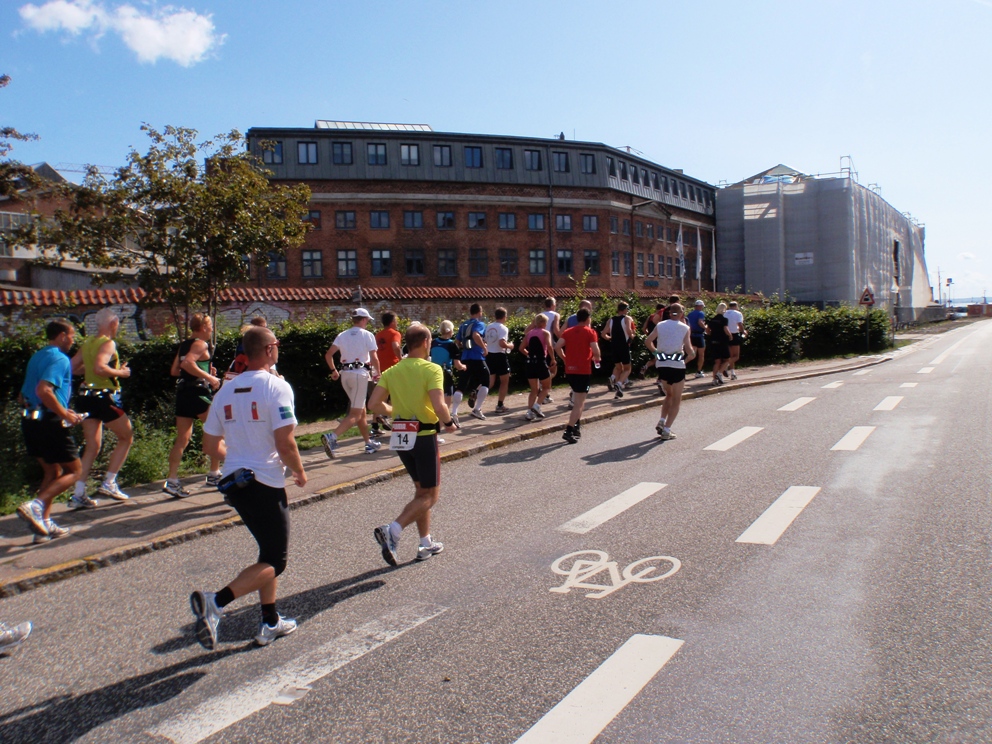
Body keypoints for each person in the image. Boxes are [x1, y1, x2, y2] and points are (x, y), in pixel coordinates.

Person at [191, 325, 306, 649]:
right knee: (277, 561)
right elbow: (285, 442)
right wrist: (299, 471)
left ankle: (270, 621)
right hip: (265, 482)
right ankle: (216, 602)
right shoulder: (277, 387)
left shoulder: (225, 390)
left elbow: (209, 445)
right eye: (277, 344)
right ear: (269, 350)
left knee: (266, 554)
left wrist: (238, 458)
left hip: (234, 483)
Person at [369, 323, 456, 565]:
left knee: (421, 491)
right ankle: (393, 530)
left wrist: (394, 409)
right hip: (424, 434)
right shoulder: (432, 369)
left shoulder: (393, 371)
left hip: (401, 435)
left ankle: (425, 543)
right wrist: (449, 423)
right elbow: (439, 405)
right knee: (431, 495)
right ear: (427, 342)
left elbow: (374, 404)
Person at [16, 320, 83, 541]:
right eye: (72, 335)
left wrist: (62, 408)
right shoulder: (59, 358)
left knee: (52, 472)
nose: (73, 340)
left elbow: (22, 395)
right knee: (75, 471)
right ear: (63, 335)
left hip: (31, 421)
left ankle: (43, 526)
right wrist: (64, 415)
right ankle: (35, 506)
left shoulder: (38, 356)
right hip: (50, 423)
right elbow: (44, 390)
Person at [71, 307, 133, 504]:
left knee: (93, 446)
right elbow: (100, 367)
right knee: (126, 437)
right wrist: (122, 373)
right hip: (104, 397)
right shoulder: (108, 343)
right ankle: (109, 482)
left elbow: (73, 368)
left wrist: (91, 370)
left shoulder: (88, 342)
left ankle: (79, 492)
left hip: (85, 397)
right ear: (113, 324)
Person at [164, 313, 224, 498]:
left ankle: (172, 480)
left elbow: (176, 370)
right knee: (218, 431)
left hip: (183, 393)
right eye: (210, 326)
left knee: (183, 438)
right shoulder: (200, 343)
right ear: (204, 327)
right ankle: (214, 474)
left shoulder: (184, 344)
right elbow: (187, 363)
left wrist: (203, 369)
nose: (212, 329)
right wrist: (209, 377)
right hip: (198, 394)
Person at [321, 308, 382, 457]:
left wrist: (333, 371)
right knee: (355, 414)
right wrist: (378, 373)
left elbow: (328, 355)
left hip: (345, 375)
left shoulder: (342, 335)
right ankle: (332, 437)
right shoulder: (367, 335)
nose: (367, 322)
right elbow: (374, 357)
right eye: (367, 320)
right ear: (363, 319)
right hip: (359, 375)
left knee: (361, 412)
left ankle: (368, 442)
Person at [646, 303, 696, 440]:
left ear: (669, 313)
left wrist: (657, 353)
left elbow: (648, 341)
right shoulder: (685, 328)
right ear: (681, 314)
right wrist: (690, 357)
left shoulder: (661, 325)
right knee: (676, 399)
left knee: (669, 394)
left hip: (662, 365)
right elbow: (689, 350)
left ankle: (662, 420)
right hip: (677, 366)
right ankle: (666, 430)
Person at [555, 308, 601, 444]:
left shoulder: (568, 332)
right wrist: (596, 358)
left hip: (570, 370)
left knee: (577, 400)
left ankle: (576, 427)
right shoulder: (590, 332)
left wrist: (564, 359)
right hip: (583, 370)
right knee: (579, 403)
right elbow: (596, 350)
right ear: (588, 319)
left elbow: (557, 347)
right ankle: (569, 430)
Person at [451, 303, 489, 422]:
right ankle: (477, 409)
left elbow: (457, 341)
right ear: (479, 312)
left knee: (461, 385)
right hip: (477, 357)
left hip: (465, 357)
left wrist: (462, 349)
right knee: (486, 380)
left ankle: (454, 412)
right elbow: (476, 335)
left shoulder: (464, 325)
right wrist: (484, 348)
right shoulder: (479, 323)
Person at [372, 312, 402, 439]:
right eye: (396, 320)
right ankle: (397, 424)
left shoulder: (378, 335)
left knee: (381, 397)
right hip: (393, 367)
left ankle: (374, 426)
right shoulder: (395, 333)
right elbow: (395, 346)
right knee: (397, 396)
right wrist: (400, 358)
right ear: (392, 322)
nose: (397, 323)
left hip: (381, 368)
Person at [225, 317, 278, 381]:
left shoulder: (243, 344)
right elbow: (273, 376)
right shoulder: (265, 356)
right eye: (265, 327)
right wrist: (280, 380)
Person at [522, 314, 553, 420]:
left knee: (534, 390)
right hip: (540, 362)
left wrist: (529, 355)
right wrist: (553, 358)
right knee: (547, 387)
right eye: (546, 322)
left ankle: (529, 412)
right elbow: (549, 346)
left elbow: (521, 348)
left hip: (530, 362)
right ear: (543, 323)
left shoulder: (529, 333)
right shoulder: (545, 333)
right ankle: (537, 405)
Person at [601, 301, 635, 398]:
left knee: (618, 367)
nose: (628, 311)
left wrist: (609, 338)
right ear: (624, 310)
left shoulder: (611, 320)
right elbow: (628, 330)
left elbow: (603, 334)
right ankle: (619, 383)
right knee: (627, 368)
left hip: (614, 346)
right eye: (627, 309)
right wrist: (632, 336)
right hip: (624, 346)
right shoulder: (627, 318)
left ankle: (613, 380)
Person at [484, 307, 514, 414]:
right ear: (504, 316)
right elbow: (502, 343)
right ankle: (500, 405)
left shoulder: (489, 327)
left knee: (490, 381)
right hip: (499, 356)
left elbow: (485, 341)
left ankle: (477, 393)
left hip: (489, 355)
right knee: (504, 380)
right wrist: (510, 346)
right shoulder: (503, 328)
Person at [539, 297, 561, 404]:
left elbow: (528, 330)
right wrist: (564, 339)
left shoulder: (539, 316)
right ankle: (545, 393)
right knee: (552, 370)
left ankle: (545, 393)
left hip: (538, 345)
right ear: (553, 305)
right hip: (549, 345)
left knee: (545, 370)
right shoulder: (555, 315)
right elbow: (556, 330)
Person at [706, 302, 733, 385]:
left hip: (713, 341)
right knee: (727, 359)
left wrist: (712, 335)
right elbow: (726, 329)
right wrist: (730, 335)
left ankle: (714, 379)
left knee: (717, 361)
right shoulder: (724, 319)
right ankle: (720, 373)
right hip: (722, 341)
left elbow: (707, 330)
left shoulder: (712, 319)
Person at [687, 299, 708, 378]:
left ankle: (681, 366)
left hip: (691, 335)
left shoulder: (689, 314)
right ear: (699, 306)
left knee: (692, 354)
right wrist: (705, 327)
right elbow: (700, 322)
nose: (702, 307)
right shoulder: (701, 313)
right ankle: (699, 371)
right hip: (699, 335)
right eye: (702, 306)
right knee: (701, 355)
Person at [726, 301, 746, 380]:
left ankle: (732, 373)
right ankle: (725, 366)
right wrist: (743, 331)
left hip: (726, 334)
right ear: (736, 306)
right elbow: (740, 324)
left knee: (731, 356)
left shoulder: (725, 313)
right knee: (736, 356)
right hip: (734, 334)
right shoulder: (738, 313)